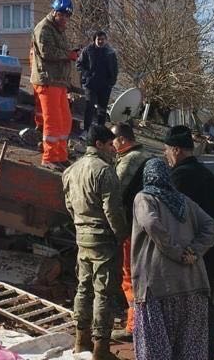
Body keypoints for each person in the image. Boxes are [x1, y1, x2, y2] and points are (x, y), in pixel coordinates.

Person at [131, 158, 214, 360]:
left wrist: (177, 252)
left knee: (156, 349)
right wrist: (194, 251)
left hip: (157, 286)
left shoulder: (144, 198)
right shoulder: (184, 201)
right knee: (190, 348)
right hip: (193, 283)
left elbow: (151, 224)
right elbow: (212, 227)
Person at [164, 125, 214, 360]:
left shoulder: (179, 177)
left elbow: (175, 219)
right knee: (205, 306)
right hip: (210, 251)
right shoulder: (205, 173)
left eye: (166, 150)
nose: (165, 155)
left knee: (190, 310)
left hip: (192, 253)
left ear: (176, 150)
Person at [63, 124, 127, 360]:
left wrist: (81, 226)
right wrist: (121, 234)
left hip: (82, 236)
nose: (113, 149)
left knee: (83, 288)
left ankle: (81, 342)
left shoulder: (70, 170)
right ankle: (101, 349)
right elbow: (112, 210)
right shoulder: (105, 171)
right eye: (110, 145)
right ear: (98, 144)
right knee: (104, 293)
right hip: (103, 240)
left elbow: (69, 205)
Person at [111, 121, 152, 340]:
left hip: (132, 227)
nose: (111, 145)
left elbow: (114, 192)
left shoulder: (129, 160)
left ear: (122, 140)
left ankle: (134, 326)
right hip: (147, 225)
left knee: (130, 276)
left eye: (113, 140)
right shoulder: (146, 156)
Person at [30, 0, 78, 168]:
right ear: (55, 12)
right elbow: (47, 52)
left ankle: (60, 155)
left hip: (58, 81)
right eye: (62, 14)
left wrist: (69, 54)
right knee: (53, 121)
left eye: (67, 15)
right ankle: (49, 158)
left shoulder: (58, 29)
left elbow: (57, 51)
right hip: (47, 80)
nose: (64, 18)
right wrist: (68, 55)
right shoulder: (44, 28)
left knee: (65, 120)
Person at [77, 31, 118, 133]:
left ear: (106, 40)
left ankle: (100, 132)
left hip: (105, 85)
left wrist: (112, 81)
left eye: (102, 39)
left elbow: (115, 68)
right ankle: (86, 130)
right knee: (90, 107)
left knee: (102, 110)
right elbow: (79, 65)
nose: (100, 41)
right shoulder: (88, 50)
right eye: (98, 39)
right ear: (94, 40)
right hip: (91, 84)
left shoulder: (110, 52)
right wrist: (87, 75)